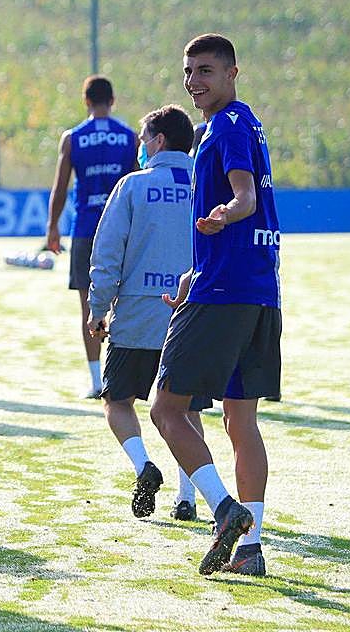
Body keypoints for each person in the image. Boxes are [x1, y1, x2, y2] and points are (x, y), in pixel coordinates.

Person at [150, 34, 282, 577]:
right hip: (258, 289)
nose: (193, 81)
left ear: (232, 73)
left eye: (205, 70)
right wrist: (191, 271)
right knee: (239, 420)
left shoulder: (224, 128)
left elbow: (245, 197)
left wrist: (225, 213)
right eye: (188, 71)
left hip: (223, 292)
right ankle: (251, 551)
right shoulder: (249, 123)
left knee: (165, 409)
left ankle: (225, 511)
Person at [86, 104, 209, 522]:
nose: (140, 147)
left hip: (138, 313)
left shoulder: (132, 186)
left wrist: (97, 308)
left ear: (158, 142)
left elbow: (107, 252)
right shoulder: (207, 186)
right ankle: (187, 497)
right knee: (186, 410)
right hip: (192, 315)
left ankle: (143, 466)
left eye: (143, 140)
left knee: (117, 400)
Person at [44, 75, 137, 398]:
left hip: (86, 228)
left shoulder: (73, 138)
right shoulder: (129, 137)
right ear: (112, 101)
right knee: (127, 299)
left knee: (89, 304)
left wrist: (52, 227)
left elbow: (60, 187)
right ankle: (125, 375)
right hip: (122, 226)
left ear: (86, 101)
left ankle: (97, 380)